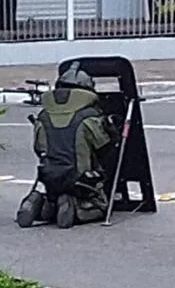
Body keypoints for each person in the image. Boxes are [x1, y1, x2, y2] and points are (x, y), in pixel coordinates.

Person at [21, 62, 118, 229]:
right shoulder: (90, 116)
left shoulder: (43, 116)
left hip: (48, 175)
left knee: (51, 189)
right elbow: (104, 148)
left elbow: (39, 148)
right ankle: (75, 205)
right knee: (102, 205)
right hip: (81, 179)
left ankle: (44, 203)